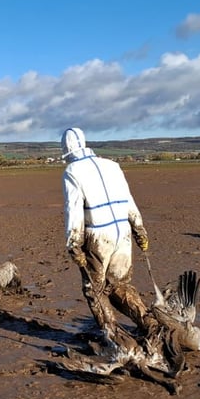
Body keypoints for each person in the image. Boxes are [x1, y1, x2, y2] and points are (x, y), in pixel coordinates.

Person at [61, 127, 155, 340]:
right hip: (122, 232)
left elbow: (73, 209)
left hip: (97, 237)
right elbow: (128, 199)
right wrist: (139, 228)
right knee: (120, 285)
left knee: (94, 289)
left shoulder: (72, 171)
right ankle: (150, 326)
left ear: (66, 151)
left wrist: (73, 244)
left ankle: (112, 336)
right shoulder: (113, 166)